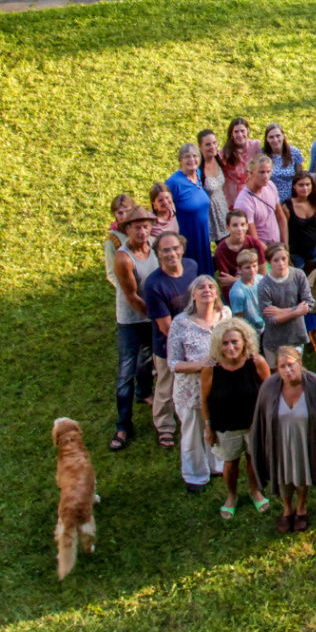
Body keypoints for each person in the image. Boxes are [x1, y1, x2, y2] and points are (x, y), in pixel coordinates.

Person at [249, 346, 316, 534]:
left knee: (302, 476)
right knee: (282, 478)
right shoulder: (269, 388)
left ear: (300, 364)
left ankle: (302, 507)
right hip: (279, 442)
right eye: (282, 367)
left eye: (290, 365)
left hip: (305, 441)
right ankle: (287, 509)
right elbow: (261, 419)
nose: (287, 370)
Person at [201, 319, 272, 519]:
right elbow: (204, 401)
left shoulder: (256, 362)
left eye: (234, 342)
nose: (231, 347)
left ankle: (255, 491)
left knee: (253, 460)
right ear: (218, 345)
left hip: (254, 424)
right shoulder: (211, 368)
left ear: (244, 341)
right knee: (230, 463)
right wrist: (208, 427)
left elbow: (269, 393)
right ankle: (231, 495)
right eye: (225, 343)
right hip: (225, 425)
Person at [167, 275, 229, 492]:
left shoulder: (225, 315)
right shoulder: (181, 323)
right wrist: (200, 365)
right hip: (190, 390)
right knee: (193, 432)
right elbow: (173, 363)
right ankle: (195, 476)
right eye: (201, 287)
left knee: (216, 427)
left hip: (219, 387)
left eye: (211, 286)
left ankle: (217, 465)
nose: (207, 290)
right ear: (193, 294)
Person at [144, 233, 199, 450]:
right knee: (166, 386)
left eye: (175, 248)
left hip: (194, 335)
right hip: (168, 344)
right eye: (165, 250)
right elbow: (165, 326)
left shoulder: (192, 267)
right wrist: (186, 345)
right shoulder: (154, 285)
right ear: (157, 254)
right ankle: (164, 426)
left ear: (182, 249)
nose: (172, 254)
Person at [110, 206, 159, 452]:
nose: (142, 230)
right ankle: (123, 425)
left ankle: (145, 393)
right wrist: (157, 317)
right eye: (137, 226)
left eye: (146, 225)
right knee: (125, 373)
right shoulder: (123, 257)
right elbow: (131, 296)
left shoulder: (156, 246)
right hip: (131, 319)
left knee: (148, 362)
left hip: (152, 316)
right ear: (127, 229)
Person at [166, 144, 216, 280]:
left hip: (203, 236)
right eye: (187, 157)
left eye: (195, 156)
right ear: (180, 160)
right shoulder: (174, 183)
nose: (191, 160)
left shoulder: (198, 175)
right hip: (187, 237)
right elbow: (165, 209)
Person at [257, 244, 314, 356]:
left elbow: (309, 304)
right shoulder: (264, 285)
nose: (281, 263)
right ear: (269, 262)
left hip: (296, 335)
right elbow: (270, 319)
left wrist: (282, 311)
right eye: (276, 260)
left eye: (283, 259)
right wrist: (296, 311)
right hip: (274, 339)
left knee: (295, 369)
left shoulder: (298, 275)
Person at [213, 209, 268, 298]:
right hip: (234, 294)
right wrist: (244, 279)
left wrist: (235, 280)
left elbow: (262, 275)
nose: (239, 229)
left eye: (242, 225)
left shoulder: (254, 243)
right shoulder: (221, 250)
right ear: (228, 227)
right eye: (235, 225)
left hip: (256, 291)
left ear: (247, 226)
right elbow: (226, 281)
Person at [284, 171, 316, 272]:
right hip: (295, 252)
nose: (305, 188)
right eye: (301, 185)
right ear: (294, 186)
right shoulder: (287, 206)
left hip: (313, 249)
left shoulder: (315, 202)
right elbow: (284, 232)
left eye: (307, 184)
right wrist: (286, 254)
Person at [232, 155, 282, 250]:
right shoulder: (244, 202)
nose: (266, 176)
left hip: (277, 247)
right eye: (261, 172)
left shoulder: (270, 186)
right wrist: (272, 254)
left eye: (268, 172)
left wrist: (285, 245)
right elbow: (253, 239)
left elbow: (280, 216)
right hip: (261, 252)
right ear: (251, 173)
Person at [195, 129, 231, 254]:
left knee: (228, 247)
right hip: (209, 214)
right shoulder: (198, 168)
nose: (212, 147)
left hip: (223, 210)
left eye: (214, 143)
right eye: (208, 144)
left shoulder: (218, 159)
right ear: (200, 147)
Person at [219, 117, 260, 207]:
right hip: (233, 197)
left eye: (242, 131)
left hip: (252, 194)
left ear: (248, 131)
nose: (240, 135)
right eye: (236, 132)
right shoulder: (224, 153)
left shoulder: (256, 146)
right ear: (231, 134)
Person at [262, 123, 304, 206]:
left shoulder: (294, 152)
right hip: (269, 200)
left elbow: (300, 177)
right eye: (271, 137)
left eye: (278, 136)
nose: (275, 139)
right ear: (266, 139)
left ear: (283, 136)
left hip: (291, 200)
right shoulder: (262, 154)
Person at [228, 247, 267, 336]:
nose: (252, 270)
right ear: (239, 270)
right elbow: (239, 319)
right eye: (247, 267)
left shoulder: (261, 280)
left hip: (264, 324)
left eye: (254, 266)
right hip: (250, 330)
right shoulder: (237, 292)